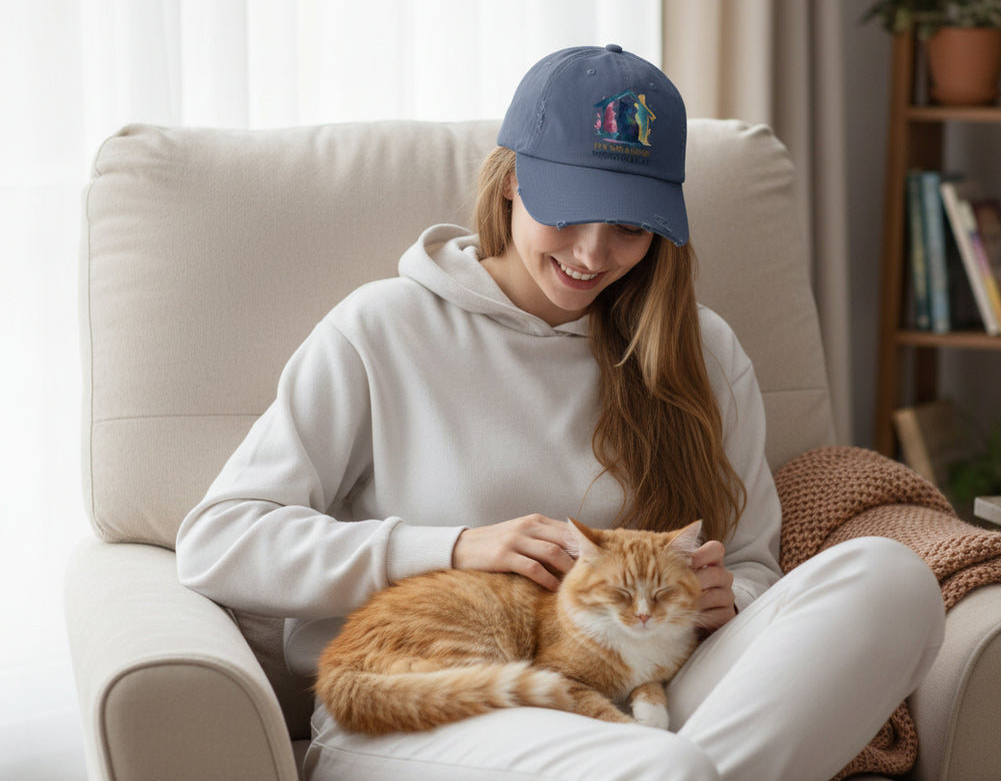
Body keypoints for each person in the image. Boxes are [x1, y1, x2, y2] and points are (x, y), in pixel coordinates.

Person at [176, 44, 945, 781]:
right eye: (571, 211)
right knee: (664, 768)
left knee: (893, 581)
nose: (592, 253)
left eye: (631, 227)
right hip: (430, 700)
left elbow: (751, 564)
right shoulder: (382, 328)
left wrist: (724, 599)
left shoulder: (699, 350)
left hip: (644, 690)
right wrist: (450, 548)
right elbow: (218, 541)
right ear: (510, 180)